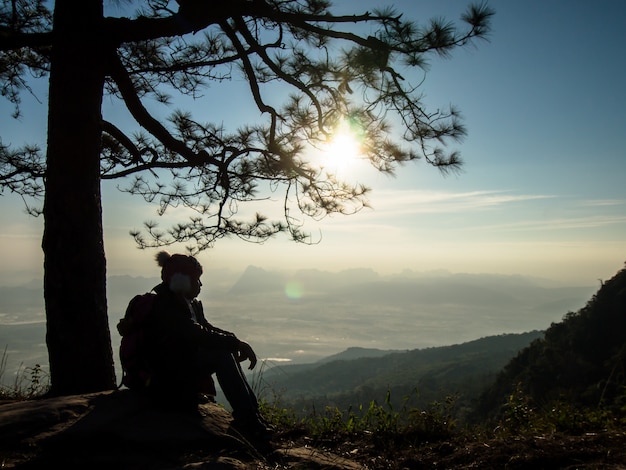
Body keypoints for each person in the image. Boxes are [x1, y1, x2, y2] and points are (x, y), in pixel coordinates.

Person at [142, 250, 270, 440]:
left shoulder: (188, 303)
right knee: (221, 354)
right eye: (196, 280)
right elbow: (196, 334)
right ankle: (247, 419)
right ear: (181, 282)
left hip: (181, 368)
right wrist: (234, 344)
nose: (201, 284)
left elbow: (206, 329)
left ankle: (253, 415)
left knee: (224, 350)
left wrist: (234, 341)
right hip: (168, 377)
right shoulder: (166, 306)